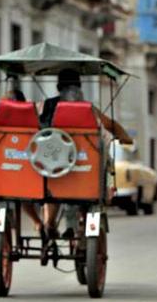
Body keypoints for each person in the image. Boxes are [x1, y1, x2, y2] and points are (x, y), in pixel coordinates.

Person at [39, 69, 133, 237]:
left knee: (52, 185)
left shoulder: (47, 105)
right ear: (80, 86)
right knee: (87, 181)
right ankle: (78, 225)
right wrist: (125, 137)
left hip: (53, 163)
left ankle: (49, 224)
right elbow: (110, 124)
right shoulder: (87, 107)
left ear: (58, 87)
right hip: (83, 164)